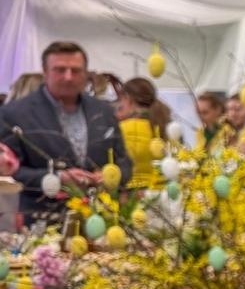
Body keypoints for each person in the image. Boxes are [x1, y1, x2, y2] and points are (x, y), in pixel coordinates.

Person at [0, 42, 131, 224]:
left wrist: (110, 176)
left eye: (75, 71)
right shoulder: (15, 114)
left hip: (100, 220)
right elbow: (7, 173)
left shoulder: (104, 111)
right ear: (45, 72)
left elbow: (125, 164)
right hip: (42, 225)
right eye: (60, 70)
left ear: (85, 74)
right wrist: (56, 178)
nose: (68, 77)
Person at [114, 76, 172, 189]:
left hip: (130, 198)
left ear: (128, 99)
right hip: (160, 194)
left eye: (121, 100)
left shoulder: (120, 130)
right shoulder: (164, 127)